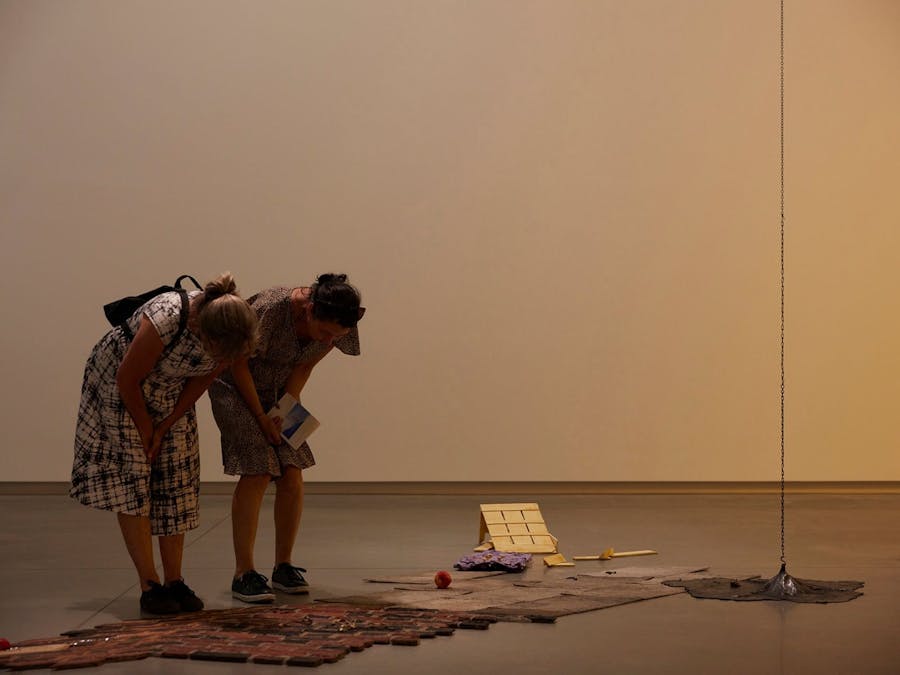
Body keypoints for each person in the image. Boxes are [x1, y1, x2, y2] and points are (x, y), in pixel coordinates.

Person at [70, 272, 258, 615]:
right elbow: (127, 378)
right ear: (201, 329)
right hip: (118, 388)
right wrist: (146, 430)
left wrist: (167, 424)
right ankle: (150, 584)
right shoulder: (168, 318)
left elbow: (202, 379)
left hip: (169, 393)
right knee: (134, 479)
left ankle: (175, 580)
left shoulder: (234, 328)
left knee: (177, 479)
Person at [208, 273, 363, 603]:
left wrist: (283, 410)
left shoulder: (341, 321)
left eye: (336, 337)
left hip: (280, 392)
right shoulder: (271, 309)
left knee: (293, 471)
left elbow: (304, 368)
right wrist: (262, 418)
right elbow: (238, 364)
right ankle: (244, 573)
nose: (328, 340)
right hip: (235, 389)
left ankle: (284, 566)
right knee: (258, 469)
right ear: (308, 310)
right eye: (323, 332)